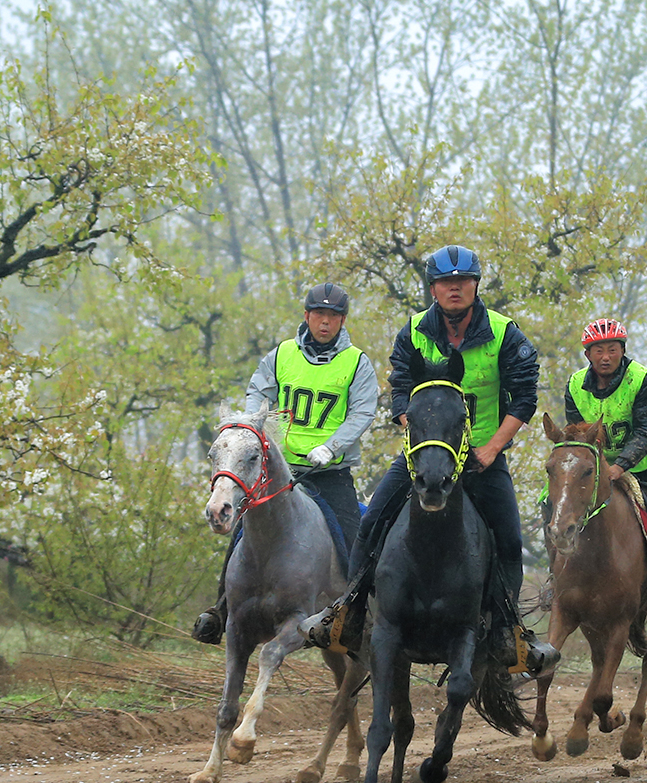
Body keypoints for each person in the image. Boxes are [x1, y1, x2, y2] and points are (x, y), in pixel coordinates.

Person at [312, 243, 548, 661]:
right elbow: (399, 390)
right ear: (433, 289)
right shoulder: (415, 329)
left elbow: (525, 397)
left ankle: (509, 633)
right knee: (371, 525)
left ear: (475, 286)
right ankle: (347, 612)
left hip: (481, 459)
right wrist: (419, 434)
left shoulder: (504, 332)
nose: (454, 289)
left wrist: (493, 449)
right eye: (445, 283)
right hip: (423, 456)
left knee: (510, 540)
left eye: (462, 282)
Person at [191, 282, 379, 644]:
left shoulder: (357, 362)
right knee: (245, 530)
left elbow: (363, 412)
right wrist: (250, 434)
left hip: (329, 471)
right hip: (279, 471)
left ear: (342, 321)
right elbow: (257, 396)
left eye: (333, 317)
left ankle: (359, 612)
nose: (325, 323)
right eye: (319, 315)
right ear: (307, 316)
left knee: (352, 534)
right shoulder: (280, 356)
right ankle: (221, 609)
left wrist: (332, 445)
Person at [562, 318, 647, 615]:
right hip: (591, 467)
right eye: (598, 351)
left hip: (641, 464)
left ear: (622, 350)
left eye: (612, 349)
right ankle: (559, 574)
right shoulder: (575, 385)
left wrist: (619, 467)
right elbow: (575, 432)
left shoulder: (642, 379)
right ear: (588, 354)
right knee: (553, 502)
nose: (605, 357)